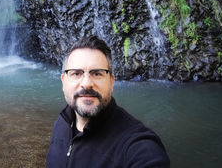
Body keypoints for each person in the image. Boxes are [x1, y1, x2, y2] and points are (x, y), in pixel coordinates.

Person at [46, 35, 170, 167]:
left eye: (97, 73)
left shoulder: (138, 146)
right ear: (63, 82)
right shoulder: (63, 122)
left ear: (111, 82)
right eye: (76, 73)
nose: (87, 83)